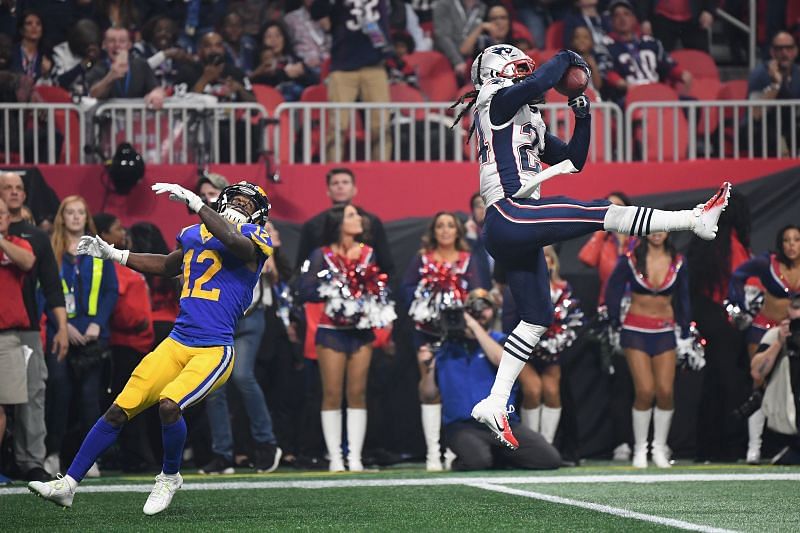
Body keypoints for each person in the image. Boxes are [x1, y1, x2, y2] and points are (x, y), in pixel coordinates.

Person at [453, 43, 729, 449]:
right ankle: (693, 219)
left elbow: (574, 159)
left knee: (536, 317)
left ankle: (494, 402)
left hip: (516, 221)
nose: (527, 78)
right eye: (518, 71)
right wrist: (568, 57)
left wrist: (582, 116)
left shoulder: (522, 114)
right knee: (601, 211)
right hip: (509, 213)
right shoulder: (495, 103)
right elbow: (545, 77)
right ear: (499, 74)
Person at [29, 180, 273, 515]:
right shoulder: (193, 233)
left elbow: (234, 241)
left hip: (214, 349)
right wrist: (114, 253)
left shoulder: (256, 237)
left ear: (258, 214)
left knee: (170, 405)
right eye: (239, 200)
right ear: (226, 200)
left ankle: (169, 476)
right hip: (176, 341)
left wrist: (198, 204)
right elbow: (167, 266)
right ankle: (68, 484)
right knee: (119, 409)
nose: (243, 205)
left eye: (250, 203)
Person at [296, 204, 393, 472]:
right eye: (352, 215)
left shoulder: (369, 254)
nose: (359, 218)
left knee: (357, 392)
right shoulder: (321, 255)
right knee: (331, 393)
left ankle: (355, 458)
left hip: (361, 331)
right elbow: (304, 290)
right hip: (331, 332)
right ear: (339, 223)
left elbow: (378, 288)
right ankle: (336, 458)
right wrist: (335, 290)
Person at [429, 289, 562, 471]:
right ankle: (483, 457)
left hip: (504, 423)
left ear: (494, 311)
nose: (479, 312)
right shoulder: (446, 348)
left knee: (549, 459)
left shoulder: (501, 340)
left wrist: (475, 328)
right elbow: (427, 394)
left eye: (485, 307)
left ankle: (498, 455)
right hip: (464, 425)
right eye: (473, 308)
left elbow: (501, 360)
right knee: (479, 461)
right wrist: (428, 365)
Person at [0, 172, 68, 483]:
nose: (14, 193)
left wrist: (62, 328)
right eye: (7, 189)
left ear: (25, 195)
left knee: (33, 394)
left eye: (18, 188)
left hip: (25, 326)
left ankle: (31, 461)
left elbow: (53, 287)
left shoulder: (34, 237)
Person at [44, 196, 118, 478]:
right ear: (62, 217)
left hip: (92, 335)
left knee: (90, 399)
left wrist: (98, 323)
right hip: (60, 333)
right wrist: (63, 325)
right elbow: (45, 292)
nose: (75, 217)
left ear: (87, 218)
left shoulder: (99, 248)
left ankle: (89, 460)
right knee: (59, 394)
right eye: (70, 212)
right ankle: (52, 454)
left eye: (80, 212)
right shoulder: (51, 249)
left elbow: (111, 290)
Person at [401, 211, 480, 470]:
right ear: (433, 231)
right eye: (440, 226)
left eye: (450, 226)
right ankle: (433, 453)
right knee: (430, 390)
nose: (445, 230)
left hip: (459, 336)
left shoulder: (468, 260)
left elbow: (477, 295)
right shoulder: (422, 259)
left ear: (458, 231)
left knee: (452, 390)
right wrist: (431, 294)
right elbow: (407, 291)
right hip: (426, 332)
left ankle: (451, 450)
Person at [605, 232, 690, 468]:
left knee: (664, 391)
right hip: (635, 330)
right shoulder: (630, 259)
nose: (657, 233)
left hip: (665, 331)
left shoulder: (678, 261)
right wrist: (614, 322)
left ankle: (659, 448)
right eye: (653, 227)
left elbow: (683, 297)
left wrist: (685, 331)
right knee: (644, 390)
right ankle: (640, 449)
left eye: (662, 227)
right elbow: (612, 289)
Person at [200, 246, 283, 475]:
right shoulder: (206, 232)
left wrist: (270, 256)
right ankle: (222, 454)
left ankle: (267, 444)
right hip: (217, 315)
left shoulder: (255, 230)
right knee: (214, 385)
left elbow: (273, 275)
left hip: (249, 314)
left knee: (242, 375)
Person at [688, 190, 752, 462]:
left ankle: (706, 447)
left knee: (712, 383)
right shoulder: (735, 245)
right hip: (725, 321)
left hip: (704, 316)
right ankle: (729, 447)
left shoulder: (703, 242)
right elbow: (742, 285)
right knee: (729, 383)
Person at [729, 224, 800, 463]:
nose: (792, 245)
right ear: (781, 243)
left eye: (796, 240)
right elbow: (737, 275)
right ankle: (754, 448)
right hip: (764, 330)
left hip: (794, 333)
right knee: (759, 383)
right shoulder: (766, 263)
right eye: (787, 240)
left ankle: (787, 444)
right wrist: (741, 306)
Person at [94, 213, 157, 472]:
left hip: (140, 343)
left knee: (139, 403)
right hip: (124, 343)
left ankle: (140, 455)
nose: (122, 232)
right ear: (104, 235)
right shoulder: (111, 265)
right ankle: (132, 456)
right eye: (117, 228)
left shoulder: (127, 260)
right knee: (127, 402)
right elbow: (112, 302)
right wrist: (135, 322)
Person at [310, 0, 393, 162]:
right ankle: (333, 174)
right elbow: (318, 14)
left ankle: (384, 172)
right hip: (343, 66)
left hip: (374, 65)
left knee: (381, 126)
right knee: (337, 126)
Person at [173, 31, 260, 163]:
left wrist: (239, 89)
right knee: (216, 133)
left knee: (249, 130)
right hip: (198, 126)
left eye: (218, 45)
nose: (214, 49)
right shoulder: (188, 72)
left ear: (223, 49)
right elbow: (178, 108)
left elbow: (255, 109)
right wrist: (204, 80)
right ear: (200, 50)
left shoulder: (235, 73)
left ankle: (245, 172)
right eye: (208, 46)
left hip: (231, 126)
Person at [295, 167, 393, 276]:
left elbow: (386, 265)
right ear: (328, 191)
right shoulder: (312, 226)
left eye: (345, 182)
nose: (340, 186)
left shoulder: (371, 221)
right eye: (335, 183)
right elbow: (302, 268)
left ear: (354, 189)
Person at [0, 196, 37, 484]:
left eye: (1, 214)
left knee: (3, 406)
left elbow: (28, 261)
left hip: (7, 337)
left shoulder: (18, 245)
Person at [597, 0, 692, 107]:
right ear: (611, 21)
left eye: (626, 14)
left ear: (634, 19)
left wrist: (682, 74)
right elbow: (606, 72)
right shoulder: (606, 45)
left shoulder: (650, 42)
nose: (622, 18)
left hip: (656, 92)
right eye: (616, 15)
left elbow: (668, 65)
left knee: (691, 104)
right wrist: (623, 84)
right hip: (628, 95)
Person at [746, 32, 800, 158]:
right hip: (763, 129)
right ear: (772, 52)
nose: (784, 53)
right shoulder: (759, 74)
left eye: (789, 48)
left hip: (792, 126)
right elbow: (756, 114)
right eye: (779, 49)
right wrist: (775, 85)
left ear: (796, 51)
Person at [85, 26, 165, 107]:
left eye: (122, 41)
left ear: (129, 45)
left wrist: (156, 94)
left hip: (137, 117)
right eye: (112, 41)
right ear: (104, 45)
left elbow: (156, 88)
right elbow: (94, 93)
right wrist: (110, 77)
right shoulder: (99, 67)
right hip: (109, 118)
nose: (117, 45)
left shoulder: (141, 64)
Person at [578, 191, 634, 304]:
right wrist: (601, 229)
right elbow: (586, 259)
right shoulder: (604, 241)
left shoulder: (638, 240)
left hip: (637, 304)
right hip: (609, 302)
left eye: (618, 206)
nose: (614, 211)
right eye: (610, 207)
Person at [250, 21, 317, 102]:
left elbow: (314, 81)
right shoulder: (259, 62)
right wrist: (286, 74)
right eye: (269, 36)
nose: (274, 40)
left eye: (278, 35)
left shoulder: (294, 59)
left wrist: (302, 73)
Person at [432, 0, 486, 83]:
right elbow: (443, 36)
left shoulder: (482, 7)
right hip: (447, 61)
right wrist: (458, 61)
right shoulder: (443, 4)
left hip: (472, 60)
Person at [133, 15, 192, 88]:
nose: (163, 34)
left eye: (168, 31)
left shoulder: (179, 50)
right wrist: (164, 55)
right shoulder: (140, 48)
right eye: (159, 30)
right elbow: (138, 71)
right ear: (151, 31)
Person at [50, 18, 102, 97]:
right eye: (87, 47)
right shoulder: (60, 52)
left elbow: (88, 68)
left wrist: (92, 61)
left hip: (87, 101)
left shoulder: (89, 60)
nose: (90, 51)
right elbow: (58, 83)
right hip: (64, 101)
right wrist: (81, 66)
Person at [637, 0, 715, 52]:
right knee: (658, 58)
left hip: (695, 17)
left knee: (700, 59)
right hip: (661, 17)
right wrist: (643, 19)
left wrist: (709, 10)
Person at [283, 0, 331, 77]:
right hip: (306, 67)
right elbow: (286, 48)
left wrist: (328, 28)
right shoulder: (290, 19)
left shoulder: (331, 15)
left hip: (331, 64)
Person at [11, 11, 52, 82]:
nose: (34, 26)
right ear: (21, 30)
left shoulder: (46, 55)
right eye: (29, 23)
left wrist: (45, 74)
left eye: (38, 24)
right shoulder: (11, 51)